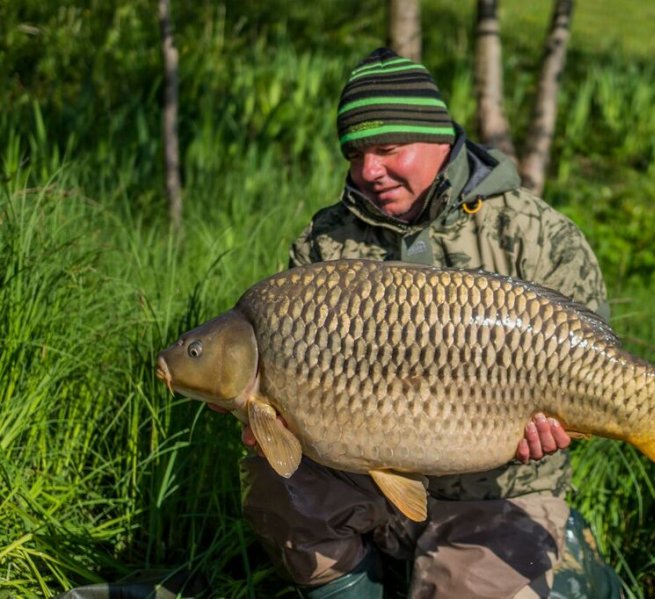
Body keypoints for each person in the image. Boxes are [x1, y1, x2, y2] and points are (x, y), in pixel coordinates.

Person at [239, 48, 623, 598]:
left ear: (440, 139)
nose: (368, 171)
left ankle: (572, 562)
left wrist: (560, 426)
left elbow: (591, 364)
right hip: (363, 477)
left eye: (387, 149)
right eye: (355, 154)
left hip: (498, 489)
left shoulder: (538, 236)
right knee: (274, 481)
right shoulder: (327, 241)